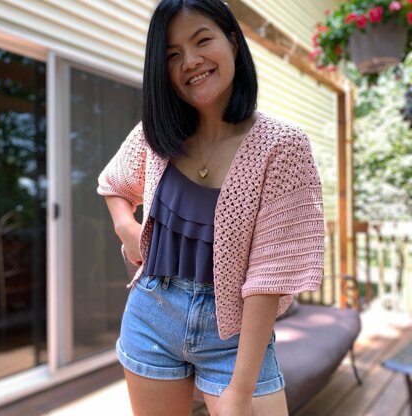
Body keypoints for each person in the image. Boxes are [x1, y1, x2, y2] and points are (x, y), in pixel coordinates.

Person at [97, 0, 325, 415]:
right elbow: (113, 184)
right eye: (173, 55)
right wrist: (125, 227)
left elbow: (269, 276)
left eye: (202, 41)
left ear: (233, 43)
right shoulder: (157, 135)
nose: (190, 62)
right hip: (151, 315)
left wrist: (241, 387)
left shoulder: (282, 146)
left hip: (237, 334)